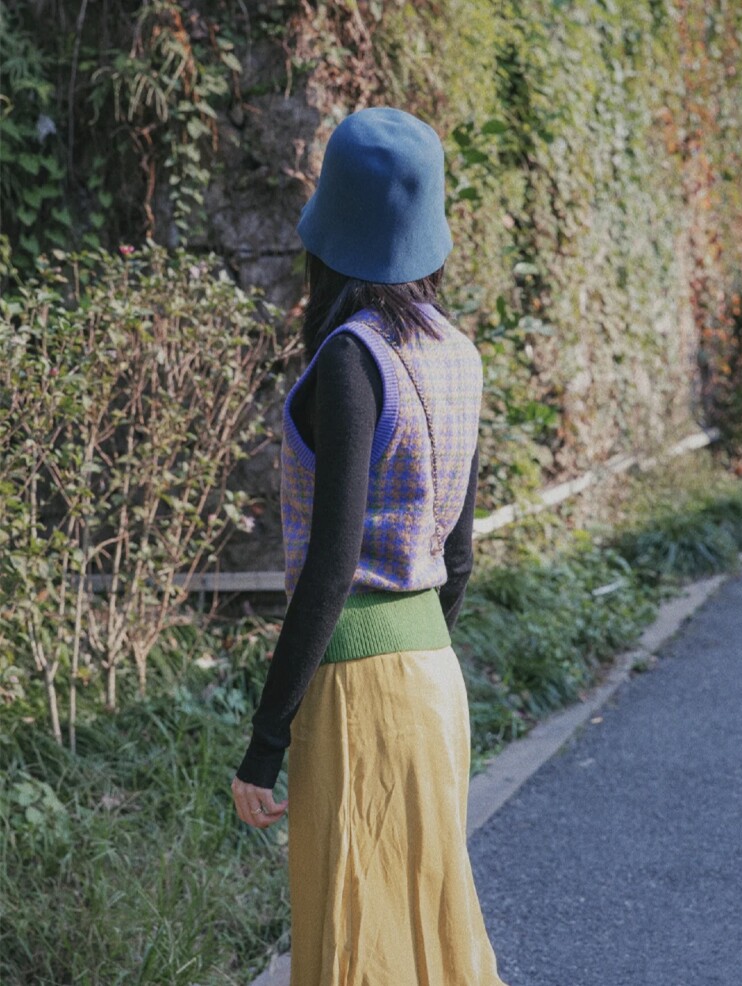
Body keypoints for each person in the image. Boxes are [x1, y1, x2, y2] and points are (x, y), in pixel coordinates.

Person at [231, 106, 508, 986]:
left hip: (357, 692)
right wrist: (416, 645)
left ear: (330, 231)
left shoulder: (353, 360)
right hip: (434, 682)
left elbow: (330, 569)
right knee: (432, 931)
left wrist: (264, 744)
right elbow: (458, 558)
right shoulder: (458, 354)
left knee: (355, 938)